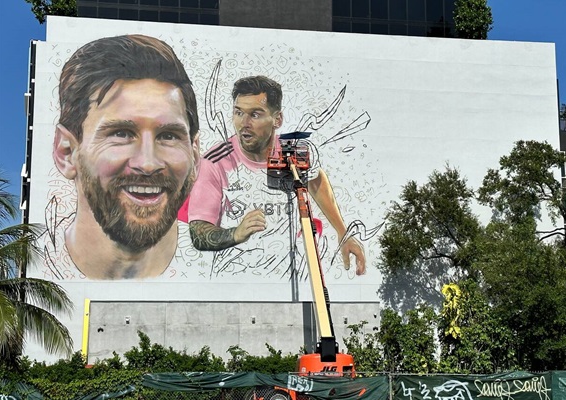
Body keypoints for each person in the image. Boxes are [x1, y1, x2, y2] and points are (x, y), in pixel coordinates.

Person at [52, 35, 199, 279]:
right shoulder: (32, 272)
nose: (148, 163)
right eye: (121, 133)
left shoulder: (230, 267)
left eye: (169, 136)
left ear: (195, 155)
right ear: (66, 152)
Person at [188, 76, 365, 275]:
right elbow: (198, 231)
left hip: (299, 284)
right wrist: (235, 233)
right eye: (238, 113)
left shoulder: (297, 151)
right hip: (237, 285)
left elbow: (316, 183)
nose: (243, 123)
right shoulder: (215, 161)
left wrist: (344, 234)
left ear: (277, 119)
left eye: (255, 114)